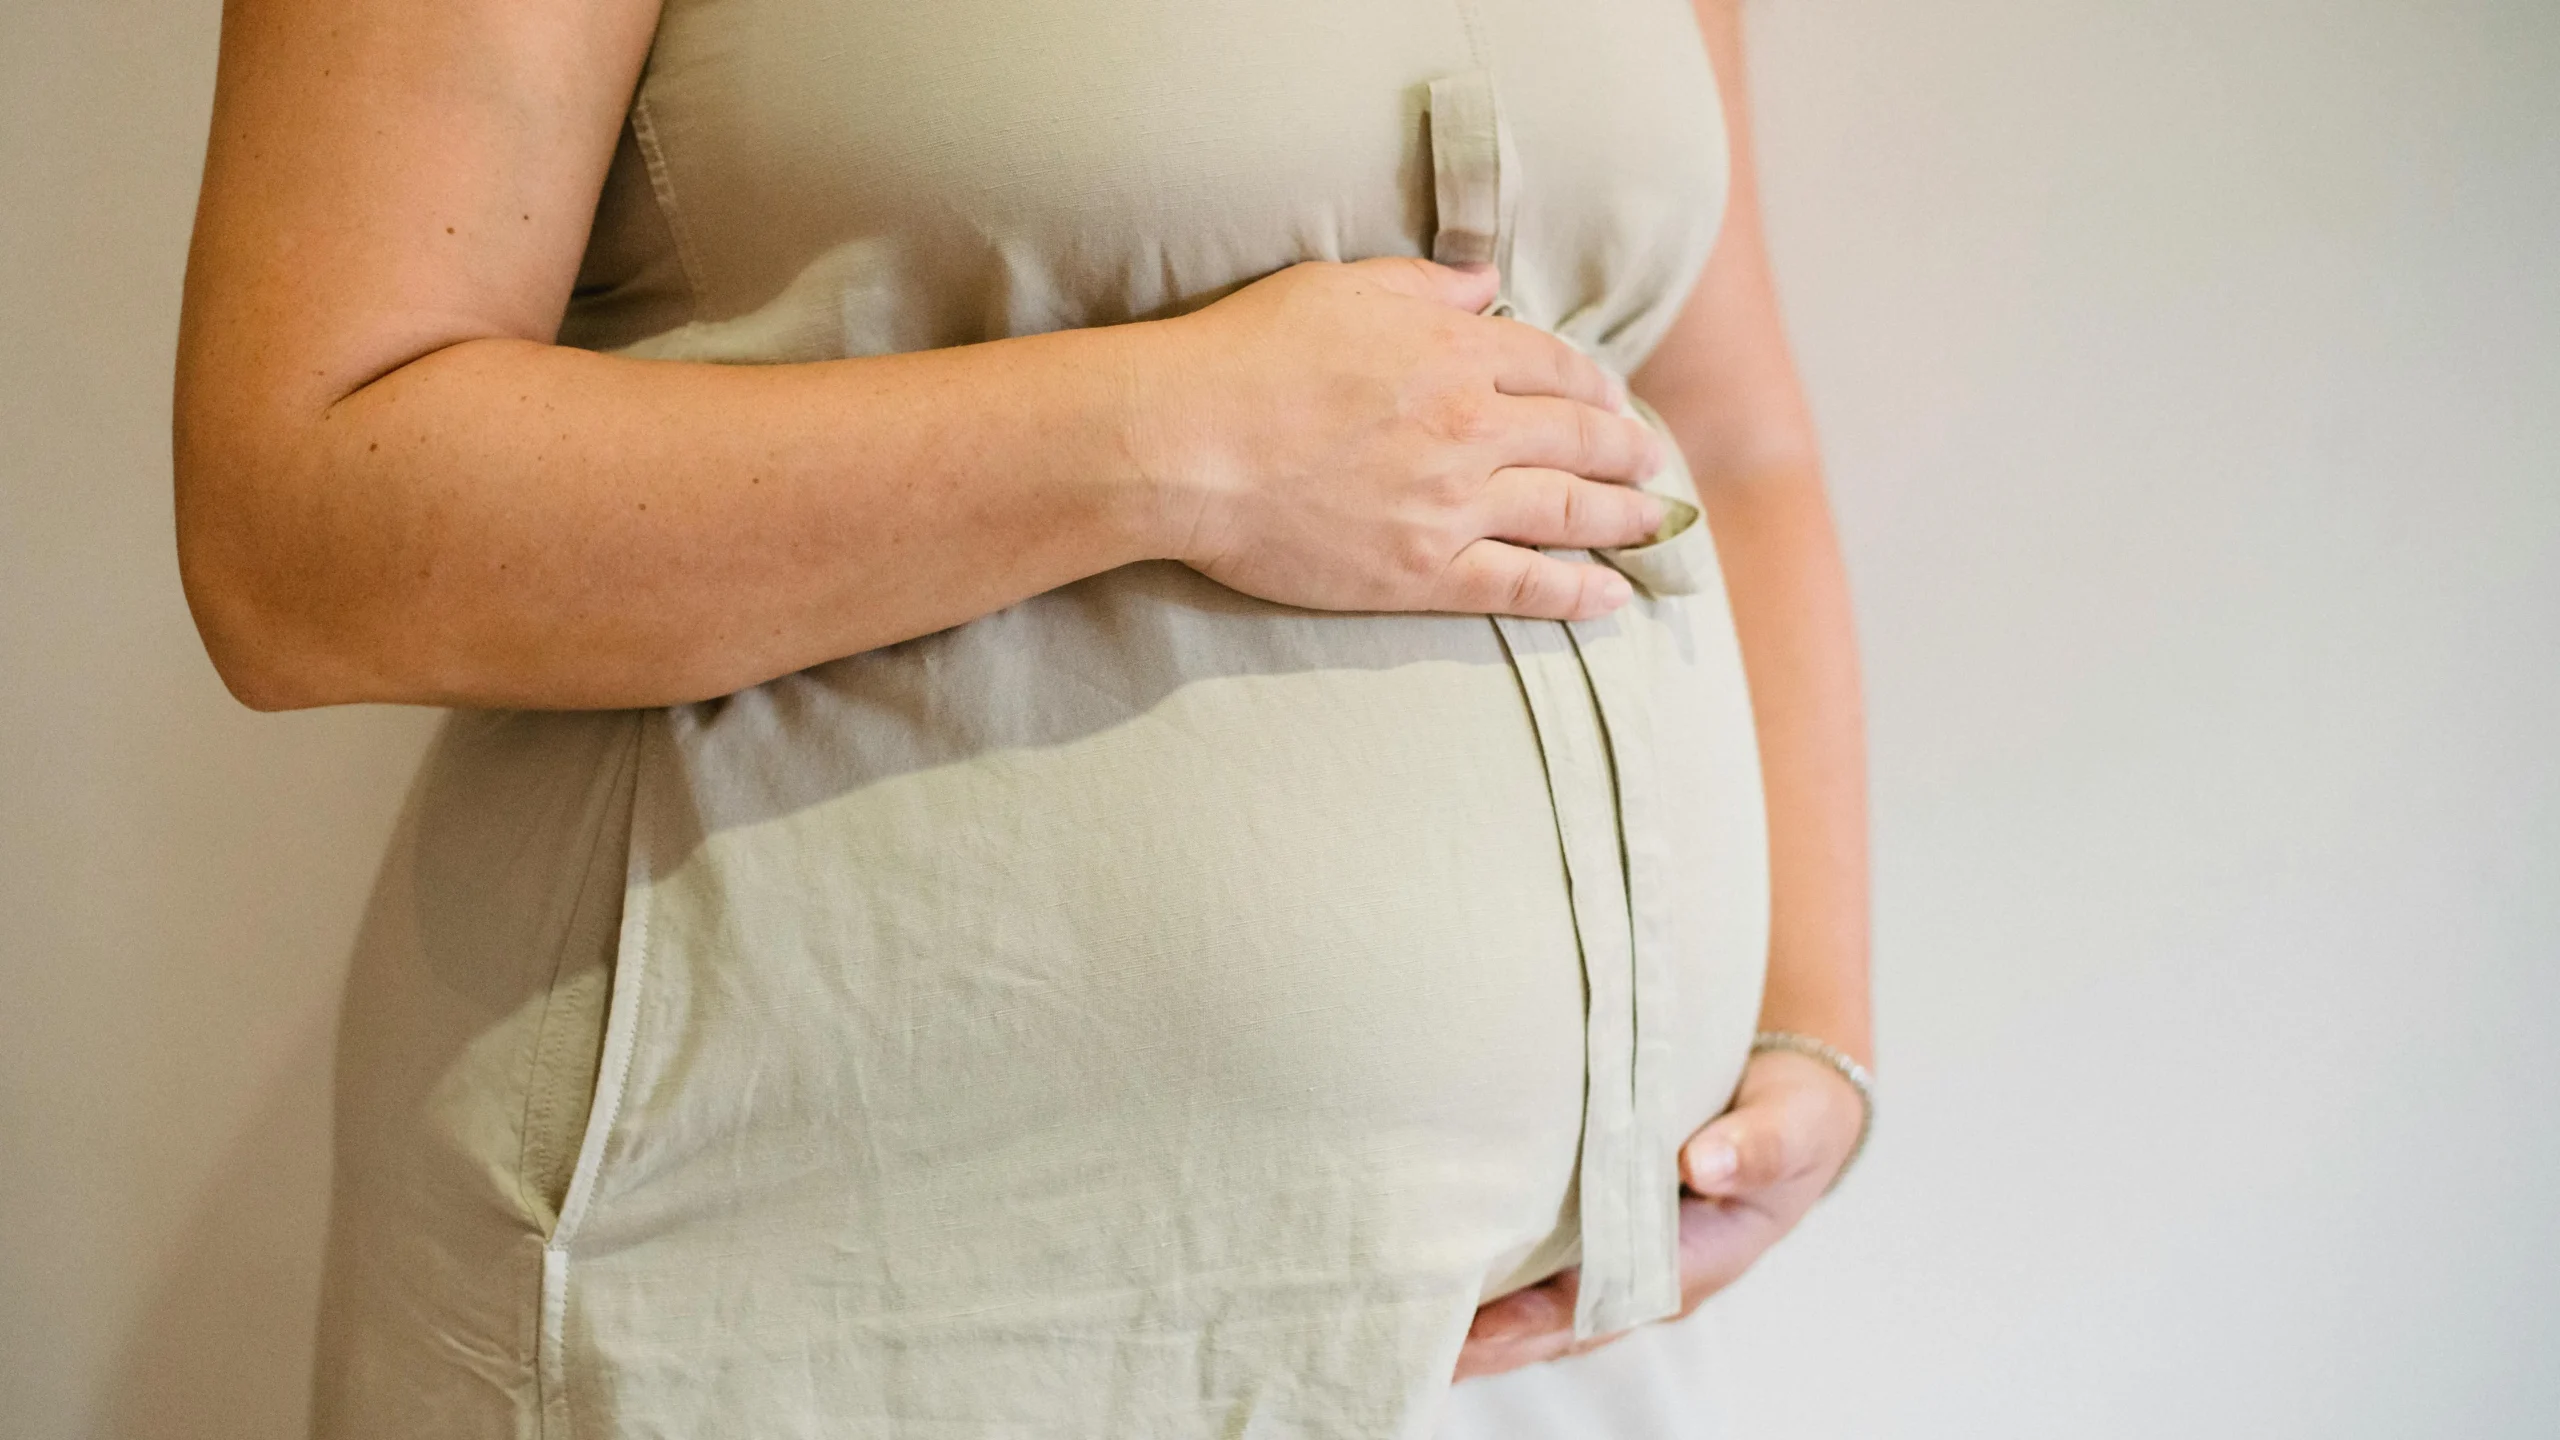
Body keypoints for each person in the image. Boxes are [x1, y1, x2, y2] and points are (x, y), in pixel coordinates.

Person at [175, 0, 1871, 1433]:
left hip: (1528, 1334)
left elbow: (1726, 432)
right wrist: (1178, 440)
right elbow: (297, 522)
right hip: (828, 1301)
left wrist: (1812, 1028)